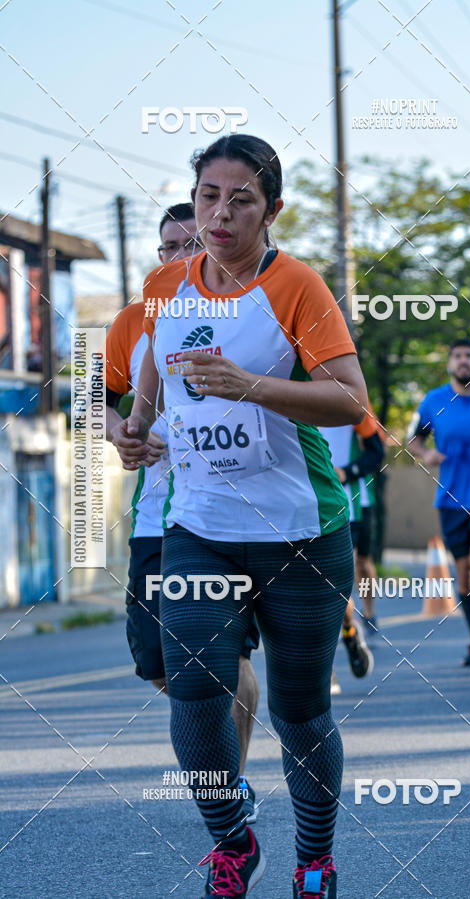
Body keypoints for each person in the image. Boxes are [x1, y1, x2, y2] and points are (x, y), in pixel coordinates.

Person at [111, 134, 368, 898]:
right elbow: (149, 379)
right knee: (193, 684)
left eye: (241, 199)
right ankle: (232, 836)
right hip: (199, 527)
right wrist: (134, 429)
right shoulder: (165, 283)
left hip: (301, 529)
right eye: (207, 197)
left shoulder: (296, 286)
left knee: (299, 708)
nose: (220, 213)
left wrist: (247, 384)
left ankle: (314, 858)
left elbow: (351, 400)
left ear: (272, 209)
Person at [105, 202, 260, 822]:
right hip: (154, 518)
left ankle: (231, 796)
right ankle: (225, 780)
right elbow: (90, 400)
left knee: (228, 659)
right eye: (168, 246)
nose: (179, 256)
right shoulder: (135, 320)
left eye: (191, 243)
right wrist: (123, 431)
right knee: (163, 668)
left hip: (228, 516)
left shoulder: (250, 310)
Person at [409, 338, 470, 667]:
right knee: (464, 575)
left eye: (469, 356)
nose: (463, 361)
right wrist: (426, 454)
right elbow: (414, 438)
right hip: (451, 499)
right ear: (450, 363)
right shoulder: (434, 400)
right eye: (457, 356)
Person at [321, 403, 384, 692]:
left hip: (348, 505)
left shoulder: (347, 397)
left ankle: (360, 619)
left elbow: (376, 452)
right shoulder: (274, 386)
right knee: (310, 587)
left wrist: (347, 472)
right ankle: (324, 670)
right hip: (294, 505)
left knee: (352, 572)